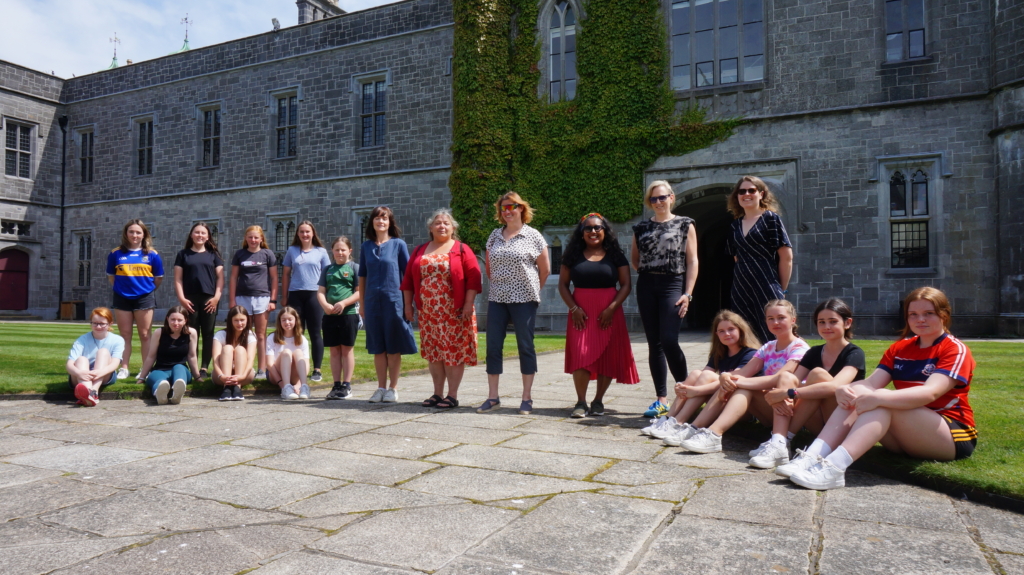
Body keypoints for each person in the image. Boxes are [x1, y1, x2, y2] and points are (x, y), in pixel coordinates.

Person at [789, 287, 976, 490]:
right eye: (913, 314)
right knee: (857, 393)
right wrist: (843, 389)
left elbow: (931, 392)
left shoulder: (954, 349)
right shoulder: (900, 348)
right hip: (907, 434)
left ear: (944, 315)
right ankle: (811, 456)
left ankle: (834, 468)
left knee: (881, 398)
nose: (920, 319)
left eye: (928, 313)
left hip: (951, 434)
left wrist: (879, 398)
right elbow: (870, 383)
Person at [678, 299, 809, 455]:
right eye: (770, 318)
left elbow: (780, 378)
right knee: (734, 384)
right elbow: (744, 372)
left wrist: (738, 381)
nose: (776, 322)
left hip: (790, 408)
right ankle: (696, 428)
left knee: (742, 388)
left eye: (781, 318)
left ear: (793, 320)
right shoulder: (768, 347)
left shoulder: (799, 347)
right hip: (769, 405)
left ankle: (712, 434)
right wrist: (726, 376)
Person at [770, 299, 865, 475]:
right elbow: (793, 380)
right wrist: (779, 395)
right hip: (817, 418)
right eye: (821, 322)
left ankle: (785, 438)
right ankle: (780, 442)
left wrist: (789, 393)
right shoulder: (814, 352)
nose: (826, 326)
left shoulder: (854, 353)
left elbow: (835, 386)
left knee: (818, 375)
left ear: (847, 323)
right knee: (788, 377)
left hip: (842, 420)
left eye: (833, 321)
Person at [558, 213, 638, 418]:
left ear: (604, 231)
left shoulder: (615, 255)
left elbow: (626, 284)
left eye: (597, 228)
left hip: (609, 311)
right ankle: (581, 402)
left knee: (607, 357)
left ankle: (598, 401)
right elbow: (563, 285)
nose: (593, 231)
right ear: (581, 233)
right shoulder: (572, 255)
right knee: (581, 355)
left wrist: (612, 308)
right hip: (580, 312)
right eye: (588, 228)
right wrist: (574, 309)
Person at [478, 192, 550, 416]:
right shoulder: (494, 235)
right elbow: (489, 268)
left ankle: (526, 398)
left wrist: (531, 291)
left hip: (524, 299)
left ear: (521, 208)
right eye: (503, 208)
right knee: (493, 347)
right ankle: (492, 397)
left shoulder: (533, 236)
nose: (507, 211)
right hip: (498, 298)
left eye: (512, 206)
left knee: (525, 346)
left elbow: (545, 270)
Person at [402, 209, 482, 409]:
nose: (442, 226)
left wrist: (468, 304)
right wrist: (408, 305)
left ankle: (452, 395)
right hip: (429, 313)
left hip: (454, 311)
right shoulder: (420, 250)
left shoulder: (461, 249)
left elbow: (474, 278)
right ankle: (437, 393)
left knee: (452, 352)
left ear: (453, 227)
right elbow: (408, 280)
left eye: (446, 223)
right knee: (434, 352)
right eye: (437, 223)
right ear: (430, 227)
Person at [631, 180, 698, 418]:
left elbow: (692, 261)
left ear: (671, 197)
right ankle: (661, 398)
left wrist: (687, 293)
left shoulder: (684, 224)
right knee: (654, 343)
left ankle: (686, 393)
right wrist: (651, 273)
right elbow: (635, 259)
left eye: (662, 197)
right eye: (653, 199)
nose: (658, 202)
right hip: (648, 284)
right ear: (649, 202)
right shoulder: (640, 228)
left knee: (669, 339)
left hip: (673, 283)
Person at [642, 310, 760, 443]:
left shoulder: (751, 353)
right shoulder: (720, 353)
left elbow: (733, 380)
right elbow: (702, 376)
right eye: (721, 331)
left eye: (731, 329)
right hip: (722, 398)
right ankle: (669, 419)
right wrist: (684, 387)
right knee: (695, 374)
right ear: (716, 334)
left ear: (741, 330)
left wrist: (695, 391)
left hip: (742, 408)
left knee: (708, 376)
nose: (726, 334)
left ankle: (679, 423)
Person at [359, 206, 417, 403]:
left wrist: (409, 304)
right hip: (372, 303)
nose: (380, 222)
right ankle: (380, 388)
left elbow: (407, 276)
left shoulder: (398, 245)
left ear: (390, 222)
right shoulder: (366, 247)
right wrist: (362, 304)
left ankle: (393, 388)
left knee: (393, 346)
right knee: (377, 346)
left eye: (384, 219)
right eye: (377, 218)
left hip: (394, 301)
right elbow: (363, 277)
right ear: (372, 222)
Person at [726, 176, 794, 344]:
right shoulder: (734, 225)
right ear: (737, 196)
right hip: (741, 284)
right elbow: (736, 257)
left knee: (772, 329)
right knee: (743, 331)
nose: (746, 194)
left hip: (767, 281)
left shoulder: (770, 218)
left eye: (751, 190)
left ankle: (777, 367)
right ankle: (749, 368)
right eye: (742, 191)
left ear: (761, 194)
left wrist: (781, 289)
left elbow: (786, 257)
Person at [106, 219, 163, 380]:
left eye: (138, 232)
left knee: (145, 335)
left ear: (144, 234)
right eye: (131, 231)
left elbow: (158, 278)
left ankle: (145, 369)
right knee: (125, 335)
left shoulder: (152, 254)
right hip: (122, 297)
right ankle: (124, 368)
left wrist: (145, 290)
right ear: (126, 233)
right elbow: (112, 277)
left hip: (144, 298)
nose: (135, 235)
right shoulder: (115, 253)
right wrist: (123, 289)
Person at [281, 220, 331, 383]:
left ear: (313, 233)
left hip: (314, 295)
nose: (305, 234)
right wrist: (284, 296)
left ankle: (316, 369)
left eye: (307, 232)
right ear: (298, 234)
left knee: (316, 332)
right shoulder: (292, 250)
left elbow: (327, 275)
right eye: (302, 232)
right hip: (295, 294)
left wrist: (326, 297)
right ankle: (296, 365)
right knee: (296, 332)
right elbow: (286, 274)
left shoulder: (321, 252)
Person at [173, 222, 224, 381]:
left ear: (208, 236)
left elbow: (220, 278)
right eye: (197, 232)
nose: (200, 235)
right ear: (191, 235)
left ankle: (204, 367)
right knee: (191, 333)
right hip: (190, 300)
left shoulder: (213, 255)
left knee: (208, 334)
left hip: (209, 299)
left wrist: (216, 298)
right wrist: (182, 298)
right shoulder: (183, 254)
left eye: (203, 233)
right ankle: (191, 366)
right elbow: (178, 279)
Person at [229, 225, 277, 380]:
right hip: (243, 297)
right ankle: (242, 367)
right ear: (246, 238)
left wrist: (273, 299)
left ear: (261, 239)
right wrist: (232, 300)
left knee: (260, 335)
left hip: (262, 298)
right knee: (243, 333)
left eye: (256, 237)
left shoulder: (267, 254)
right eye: (250, 237)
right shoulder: (240, 254)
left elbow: (274, 278)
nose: (253, 240)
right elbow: (233, 278)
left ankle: (262, 369)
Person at [318, 236, 360, 400]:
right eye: (337, 250)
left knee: (347, 349)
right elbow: (321, 292)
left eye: (343, 249)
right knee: (334, 351)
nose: (340, 252)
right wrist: (326, 306)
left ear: (349, 251)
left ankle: (347, 385)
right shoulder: (327, 269)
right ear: (332, 251)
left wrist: (343, 303)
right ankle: (336, 385)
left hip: (348, 315)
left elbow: (359, 291)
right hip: (330, 316)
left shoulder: (354, 268)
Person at [136, 305, 199, 405]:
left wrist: (197, 376)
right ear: (167, 319)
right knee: (160, 380)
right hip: (161, 369)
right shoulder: (159, 333)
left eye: (179, 320)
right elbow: (151, 356)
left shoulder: (191, 333)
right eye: (173, 319)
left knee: (178, 368)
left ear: (185, 320)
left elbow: (192, 356)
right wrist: (142, 377)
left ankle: (178, 389)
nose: (176, 323)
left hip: (181, 370)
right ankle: (159, 392)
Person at [66, 307, 125, 407]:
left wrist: (100, 372)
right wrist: (78, 372)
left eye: (102, 323)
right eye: (95, 323)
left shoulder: (117, 340)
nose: (98, 326)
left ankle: (93, 391)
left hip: (105, 373)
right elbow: (69, 364)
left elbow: (115, 363)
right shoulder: (82, 339)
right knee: (81, 359)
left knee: (103, 352)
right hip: (83, 372)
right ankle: (89, 394)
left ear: (110, 323)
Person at [212, 305, 258, 401]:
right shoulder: (220, 335)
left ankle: (237, 388)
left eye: (242, 320)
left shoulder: (251, 335)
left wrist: (243, 376)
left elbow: (250, 359)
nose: (239, 323)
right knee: (228, 348)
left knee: (240, 349)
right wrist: (221, 376)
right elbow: (215, 360)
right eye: (236, 320)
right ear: (230, 321)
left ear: (247, 320)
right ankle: (227, 388)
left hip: (244, 375)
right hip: (221, 375)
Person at [267, 306, 311, 400]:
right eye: (284, 320)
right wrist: (281, 384)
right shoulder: (272, 337)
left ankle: (304, 386)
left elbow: (306, 364)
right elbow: (269, 364)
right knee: (286, 352)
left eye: (290, 319)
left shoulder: (302, 339)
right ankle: (286, 388)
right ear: (280, 321)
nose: (287, 322)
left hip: (294, 375)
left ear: (295, 320)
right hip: (276, 375)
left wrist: (298, 384)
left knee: (298, 352)